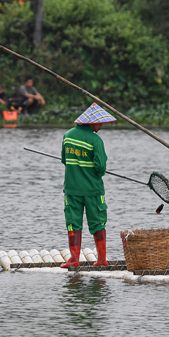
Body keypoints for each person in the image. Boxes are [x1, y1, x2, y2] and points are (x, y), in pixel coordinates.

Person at [59, 103, 117, 268]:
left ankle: (74, 259)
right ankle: (101, 259)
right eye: (99, 123)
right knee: (98, 222)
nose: (101, 126)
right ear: (91, 123)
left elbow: (64, 160)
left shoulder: (67, 136)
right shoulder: (95, 140)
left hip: (72, 189)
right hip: (93, 190)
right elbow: (101, 168)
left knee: (73, 222)